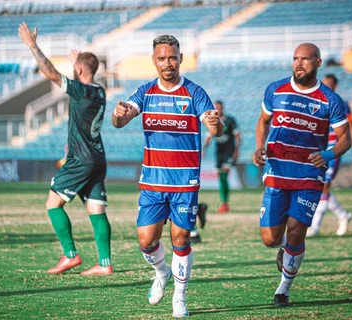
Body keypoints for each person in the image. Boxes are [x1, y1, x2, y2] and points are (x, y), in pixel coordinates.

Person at [111, 35, 223, 317]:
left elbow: (215, 128)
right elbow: (121, 121)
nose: (167, 63)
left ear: (180, 59)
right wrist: (118, 114)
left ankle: (180, 298)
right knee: (146, 241)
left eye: (172, 57)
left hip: (185, 183)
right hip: (152, 182)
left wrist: (215, 123)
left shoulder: (194, 93)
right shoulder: (145, 92)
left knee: (181, 239)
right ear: (154, 61)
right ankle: (162, 273)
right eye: (161, 58)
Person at [253, 43, 352, 307]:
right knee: (270, 239)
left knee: (297, 232)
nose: (299, 63)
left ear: (318, 63)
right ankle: (284, 249)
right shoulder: (275, 89)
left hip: (309, 174)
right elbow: (262, 121)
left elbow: (345, 140)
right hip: (277, 171)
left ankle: (283, 290)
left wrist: (329, 155)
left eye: (305, 59)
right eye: (295, 58)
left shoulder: (330, 100)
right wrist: (259, 147)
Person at [19, 22, 113, 276]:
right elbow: (81, 81)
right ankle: (105, 264)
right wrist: (79, 65)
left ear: (80, 69)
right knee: (96, 209)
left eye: (75, 68)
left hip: (80, 159)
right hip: (97, 157)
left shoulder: (80, 90)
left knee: (53, 203)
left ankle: (70, 255)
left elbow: (50, 73)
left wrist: (32, 45)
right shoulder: (98, 91)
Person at [307, 74, 352, 237]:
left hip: (334, 150)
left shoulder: (341, 104)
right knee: (319, 185)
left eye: (329, 85)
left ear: (335, 87)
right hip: (319, 149)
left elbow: (351, 129)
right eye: (323, 84)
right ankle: (343, 215)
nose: (326, 88)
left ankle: (315, 226)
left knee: (324, 185)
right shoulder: (316, 103)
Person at [202, 100, 241, 213]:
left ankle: (224, 203)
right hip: (219, 153)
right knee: (221, 177)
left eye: (219, 108)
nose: (217, 110)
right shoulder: (212, 121)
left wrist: (237, 151)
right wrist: (204, 150)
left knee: (224, 175)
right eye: (215, 108)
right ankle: (224, 202)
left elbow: (238, 136)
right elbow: (208, 138)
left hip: (229, 151)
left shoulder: (230, 120)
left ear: (222, 108)